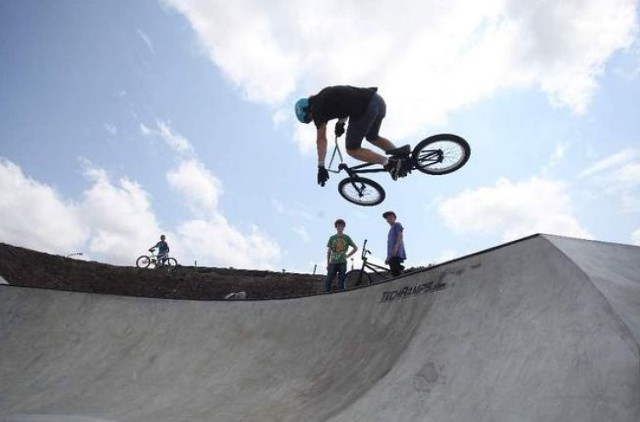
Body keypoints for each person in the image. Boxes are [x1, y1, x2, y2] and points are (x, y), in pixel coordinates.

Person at [294, 85, 406, 186]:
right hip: (377, 101)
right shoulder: (324, 95)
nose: (313, 120)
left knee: (352, 149)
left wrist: (321, 166)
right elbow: (346, 102)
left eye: (309, 118)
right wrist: (340, 123)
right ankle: (402, 156)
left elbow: (321, 140)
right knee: (372, 137)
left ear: (307, 109)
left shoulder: (316, 109)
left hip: (366, 108)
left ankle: (390, 164)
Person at [325, 219, 358, 292]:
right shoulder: (332, 238)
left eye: (341, 226)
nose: (340, 228)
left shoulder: (346, 237)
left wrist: (348, 256)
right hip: (333, 262)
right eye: (338, 226)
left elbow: (355, 248)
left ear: (344, 227)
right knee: (328, 280)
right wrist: (327, 264)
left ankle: (341, 295)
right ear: (336, 227)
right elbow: (328, 252)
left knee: (342, 281)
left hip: (342, 262)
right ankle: (326, 295)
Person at [382, 211, 406, 276]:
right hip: (391, 255)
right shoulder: (390, 230)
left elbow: (400, 236)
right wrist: (388, 257)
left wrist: (395, 248)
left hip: (396, 252)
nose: (388, 218)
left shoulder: (397, 224)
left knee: (396, 273)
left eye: (390, 217)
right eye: (387, 218)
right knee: (394, 271)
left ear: (394, 218)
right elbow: (389, 245)